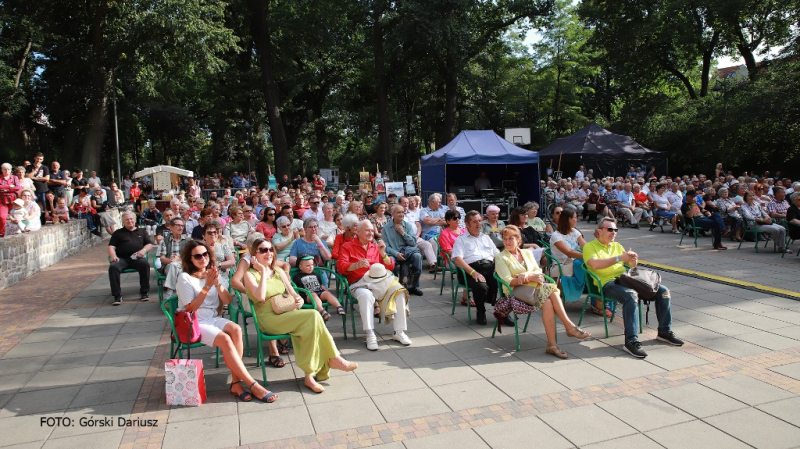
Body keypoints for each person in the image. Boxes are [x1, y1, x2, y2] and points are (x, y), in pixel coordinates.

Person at [244, 238, 357, 393]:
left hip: (286, 312)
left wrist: (297, 301)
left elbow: (293, 293)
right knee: (312, 317)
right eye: (263, 250)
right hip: (267, 318)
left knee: (312, 322)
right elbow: (261, 297)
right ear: (254, 253)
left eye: (270, 249)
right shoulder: (250, 275)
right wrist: (263, 271)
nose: (268, 253)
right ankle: (332, 359)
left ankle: (311, 375)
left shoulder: (278, 271)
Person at [176, 239, 276, 403]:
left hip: (212, 318)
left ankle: (236, 383)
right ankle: (252, 383)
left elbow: (228, 300)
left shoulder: (212, 272)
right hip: (195, 322)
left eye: (205, 254)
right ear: (190, 259)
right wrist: (207, 286)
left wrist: (217, 284)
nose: (203, 258)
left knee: (236, 329)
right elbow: (190, 308)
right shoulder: (185, 277)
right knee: (225, 339)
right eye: (198, 256)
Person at [584, 218, 683, 358]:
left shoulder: (617, 245)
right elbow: (594, 265)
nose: (614, 233)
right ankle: (631, 341)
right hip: (606, 284)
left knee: (663, 291)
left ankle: (664, 332)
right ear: (600, 231)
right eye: (610, 229)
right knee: (631, 295)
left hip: (625, 280)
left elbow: (630, 266)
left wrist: (632, 260)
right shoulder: (590, 247)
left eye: (615, 230)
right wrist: (619, 258)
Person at [495, 225, 590, 358]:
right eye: (505, 239)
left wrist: (527, 275)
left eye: (511, 238)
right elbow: (508, 281)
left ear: (519, 240)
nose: (508, 242)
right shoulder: (500, 257)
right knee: (553, 290)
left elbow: (538, 271)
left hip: (536, 288)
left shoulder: (527, 252)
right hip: (516, 292)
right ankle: (569, 326)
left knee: (548, 303)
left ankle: (552, 345)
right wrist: (528, 277)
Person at [337, 220, 412, 351]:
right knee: (366, 296)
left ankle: (399, 331)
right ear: (358, 231)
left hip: (379, 282)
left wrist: (382, 253)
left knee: (399, 291)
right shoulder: (347, 246)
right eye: (367, 230)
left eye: (372, 230)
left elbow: (390, 266)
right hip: (358, 283)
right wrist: (356, 265)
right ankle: (370, 333)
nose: (371, 233)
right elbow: (340, 267)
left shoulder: (375, 246)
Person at [452, 211, 500, 326]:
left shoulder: (486, 238)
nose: (479, 224)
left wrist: (499, 267)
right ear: (467, 224)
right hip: (471, 270)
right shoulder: (461, 240)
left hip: (489, 268)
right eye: (475, 222)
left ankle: (502, 312)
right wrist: (473, 272)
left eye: (480, 221)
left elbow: (497, 254)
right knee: (481, 286)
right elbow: (458, 259)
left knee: (501, 282)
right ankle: (481, 311)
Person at [108, 211, 154, 305]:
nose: (129, 221)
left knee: (145, 264)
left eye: (131, 219)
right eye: (127, 220)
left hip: (137, 258)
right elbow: (111, 247)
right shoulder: (118, 233)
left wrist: (143, 251)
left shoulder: (142, 231)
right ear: (123, 222)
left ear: (135, 220)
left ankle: (144, 292)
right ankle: (117, 295)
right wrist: (113, 256)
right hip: (122, 259)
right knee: (113, 267)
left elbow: (149, 245)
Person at [381, 204, 425, 296]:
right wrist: (396, 254)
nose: (401, 214)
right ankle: (396, 287)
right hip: (393, 253)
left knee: (417, 256)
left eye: (402, 212)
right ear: (392, 214)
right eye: (398, 212)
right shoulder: (386, 228)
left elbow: (413, 243)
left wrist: (403, 233)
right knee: (390, 261)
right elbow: (386, 247)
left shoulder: (407, 226)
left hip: (407, 252)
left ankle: (414, 286)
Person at [548, 208, 587, 304]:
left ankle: (596, 295)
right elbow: (568, 252)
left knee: (593, 264)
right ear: (569, 219)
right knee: (586, 264)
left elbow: (586, 247)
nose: (576, 220)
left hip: (574, 261)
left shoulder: (574, 231)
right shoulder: (556, 236)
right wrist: (587, 256)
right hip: (562, 263)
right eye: (575, 218)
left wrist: (594, 253)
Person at [291, 254, 345, 320]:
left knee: (327, 293)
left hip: (319, 292)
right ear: (300, 267)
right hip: (308, 296)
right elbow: (296, 288)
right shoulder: (298, 276)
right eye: (308, 265)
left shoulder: (315, 274)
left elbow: (320, 285)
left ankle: (339, 306)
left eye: (312, 265)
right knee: (313, 295)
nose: (311, 267)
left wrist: (325, 290)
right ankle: (322, 311)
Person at [158, 216, 193, 298]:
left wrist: (180, 259)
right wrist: (170, 260)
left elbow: (193, 256)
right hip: (169, 266)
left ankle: (169, 296)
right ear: (171, 227)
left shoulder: (189, 241)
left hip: (185, 265)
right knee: (173, 265)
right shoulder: (164, 241)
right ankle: (182, 297)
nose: (181, 228)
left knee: (178, 268)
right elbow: (162, 259)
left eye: (182, 226)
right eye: (178, 225)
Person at [0, 163, 23, 237]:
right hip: (2, 201)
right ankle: (2, 232)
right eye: (5, 169)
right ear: (2, 170)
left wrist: (5, 189)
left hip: (14, 202)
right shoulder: (0, 178)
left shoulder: (14, 177)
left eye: (8, 169)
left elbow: (17, 187)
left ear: (11, 170)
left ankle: (17, 230)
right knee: (2, 217)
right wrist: (9, 187)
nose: (7, 171)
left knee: (16, 216)